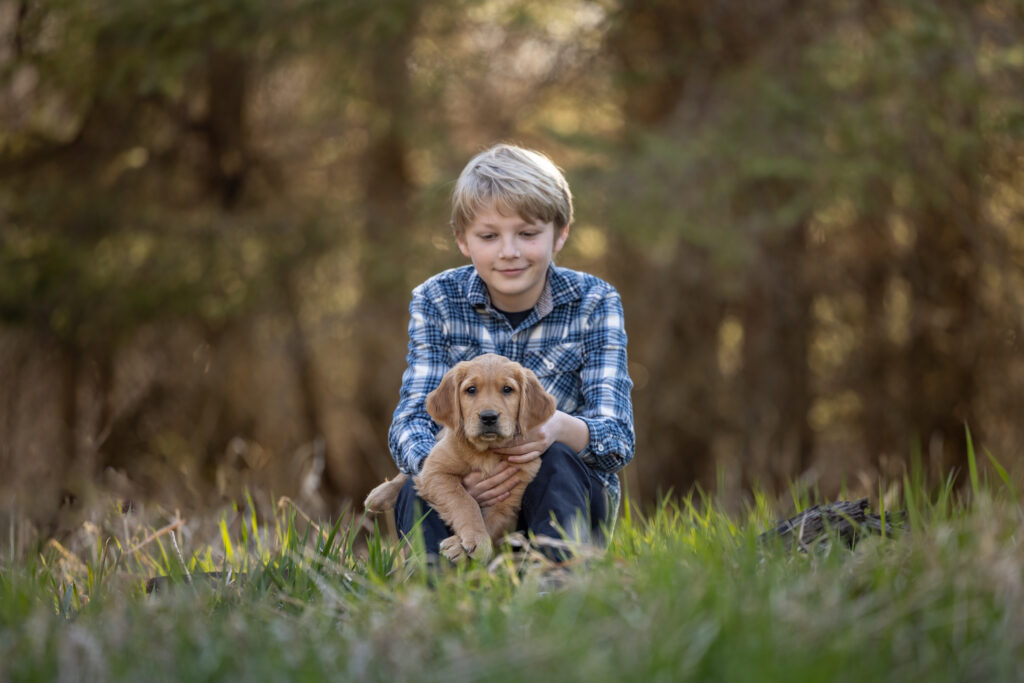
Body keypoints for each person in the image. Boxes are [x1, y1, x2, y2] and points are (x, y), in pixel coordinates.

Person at [387, 143, 635, 558]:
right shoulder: (436, 300)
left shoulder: (595, 301)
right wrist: (458, 477)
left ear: (561, 234)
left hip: (559, 495)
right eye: (488, 236)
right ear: (463, 240)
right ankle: (439, 591)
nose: (509, 251)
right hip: (463, 492)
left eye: (528, 233)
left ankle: (554, 578)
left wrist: (556, 427)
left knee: (556, 459)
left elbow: (618, 439)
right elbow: (410, 421)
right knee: (415, 488)